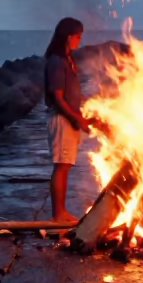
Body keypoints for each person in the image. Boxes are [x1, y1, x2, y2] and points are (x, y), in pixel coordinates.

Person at [45, 16, 94, 225]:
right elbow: (57, 98)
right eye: (77, 36)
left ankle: (61, 213)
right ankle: (58, 215)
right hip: (61, 120)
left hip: (69, 120)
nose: (79, 41)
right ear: (67, 36)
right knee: (61, 166)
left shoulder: (67, 60)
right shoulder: (56, 62)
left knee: (65, 165)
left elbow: (72, 94)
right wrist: (76, 118)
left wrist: (85, 113)